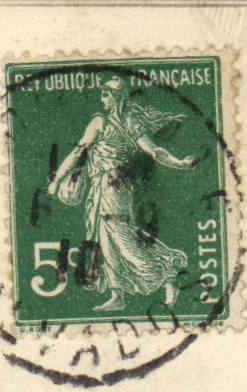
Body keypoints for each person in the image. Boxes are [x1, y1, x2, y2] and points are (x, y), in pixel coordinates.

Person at [45, 76, 199, 312]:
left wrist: (178, 163)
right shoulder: (110, 121)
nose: (102, 99)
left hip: (113, 185)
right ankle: (117, 295)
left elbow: (153, 151)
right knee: (104, 239)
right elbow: (79, 152)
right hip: (101, 186)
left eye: (106, 94)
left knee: (121, 236)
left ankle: (167, 275)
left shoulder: (121, 122)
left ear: (117, 97)